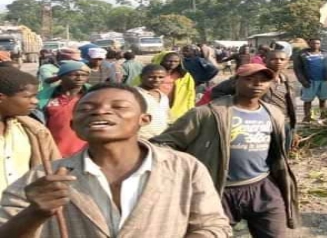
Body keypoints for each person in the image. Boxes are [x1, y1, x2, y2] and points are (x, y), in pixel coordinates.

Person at [0, 83, 232, 237]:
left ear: (144, 119)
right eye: (87, 108)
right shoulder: (45, 177)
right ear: (74, 126)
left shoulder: (183, 167)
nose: (100, 111)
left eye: (118, 107)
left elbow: (213, 226)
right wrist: (35, 213)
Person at [151, 64, 300, 237]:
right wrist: (186, 172)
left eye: (264, 80)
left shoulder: (274, 114)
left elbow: (278, 153)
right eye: (250, 79)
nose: (258, 84)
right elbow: (162, 144)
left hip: (262, 187)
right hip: (219, 190)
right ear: (235, 81)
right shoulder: (206, 114)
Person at [0, 68, 60, 193]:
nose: (35, 102)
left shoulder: (35, 131)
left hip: (22, 209)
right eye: (28, 97)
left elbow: (55, 170)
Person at [36, 61, 93, 157]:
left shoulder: (93, 94)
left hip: (87, 151)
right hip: (54, 150)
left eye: (84, 75)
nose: (79, 78)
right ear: (61, 77)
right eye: (73, 75)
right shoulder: (44, 97)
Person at [294, 38, 327, 122]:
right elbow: (297, 69)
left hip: (324, 80)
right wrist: (303, 81)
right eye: (313, 43)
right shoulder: (302, 55)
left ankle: (323, 117)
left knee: (323, 100)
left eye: (317, 43)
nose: (315, 45)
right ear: (309, 44)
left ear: (320, 44)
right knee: (308, 100)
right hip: (309, 81)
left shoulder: (326, 54)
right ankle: (308, 117)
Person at [151, 51, 196, 122]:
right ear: (161, 60)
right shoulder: (149, 74)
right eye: (169, 61)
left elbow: (190, 94)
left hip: (177, 109)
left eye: (176, 61)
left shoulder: (185, 76)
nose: (172, 63)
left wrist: (190, 108)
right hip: (154, 106)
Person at [136, 64, 170, 139]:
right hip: (140, 138)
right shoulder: (134, 94)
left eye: (161, 77)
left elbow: (167, 118)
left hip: (159, 138)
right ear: (141, 77)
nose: (157, 80)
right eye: (151, 77)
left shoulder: (163, 96)